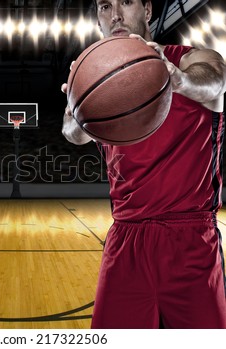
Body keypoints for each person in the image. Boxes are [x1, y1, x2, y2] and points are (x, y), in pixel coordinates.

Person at [61, 0, 226, 328]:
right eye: (105, 6)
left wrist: (177, 80)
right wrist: (78, 108)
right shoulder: (97, 80)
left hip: (191, 240)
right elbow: (71, 133)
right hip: (127, 241)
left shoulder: (191, 60)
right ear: (97, 17)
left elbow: (216, 82)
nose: (116, 15)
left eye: (126, 2)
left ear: (148, 10)